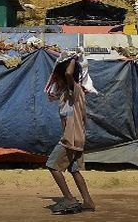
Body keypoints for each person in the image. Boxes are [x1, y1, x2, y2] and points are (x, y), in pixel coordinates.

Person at [45, 56, 96, 215]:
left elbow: (68, 74)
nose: (57, 82)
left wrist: (73, 58)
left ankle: (69, 198)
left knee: (52, 165)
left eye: (58, 78)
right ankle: (88, 202)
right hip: (77, 139)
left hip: (71, 139)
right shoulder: (65, 95)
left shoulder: (76, 90)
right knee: (74, 170)